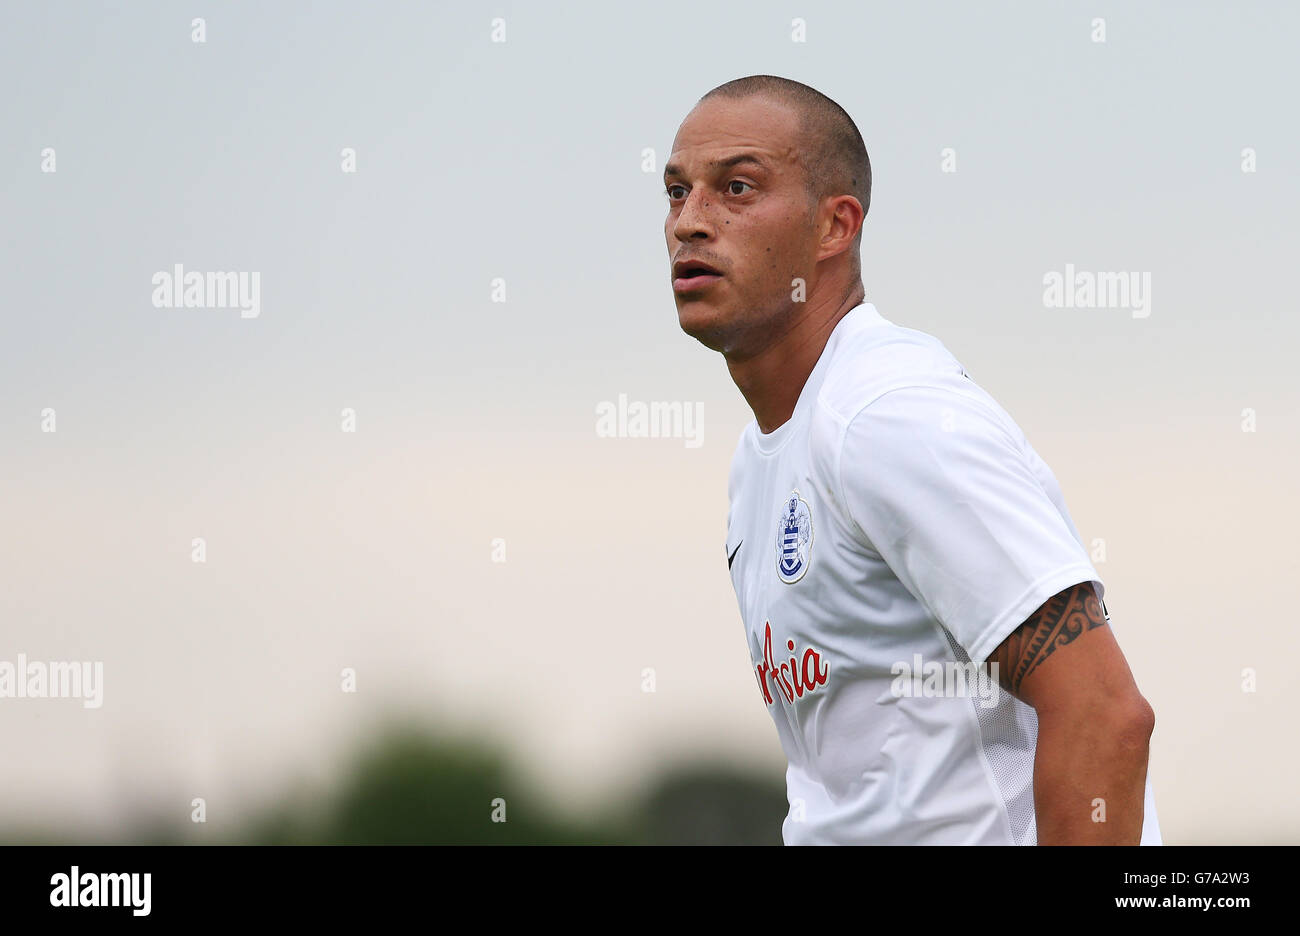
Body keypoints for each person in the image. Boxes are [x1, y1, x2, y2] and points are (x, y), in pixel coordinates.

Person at [664, 75, 1160, 845]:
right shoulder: (763, 455)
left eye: (736, 188)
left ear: (836, 226)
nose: (690, 222)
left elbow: (1103, 713)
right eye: (675, 192)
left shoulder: (887, 416)